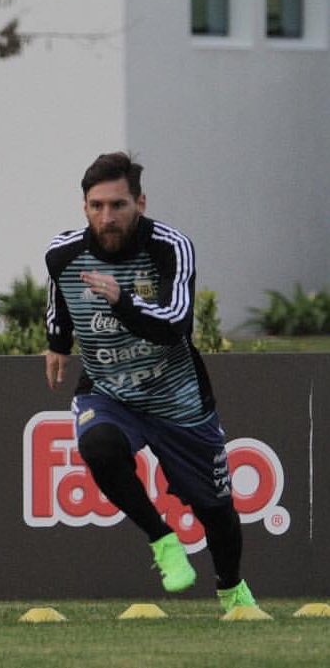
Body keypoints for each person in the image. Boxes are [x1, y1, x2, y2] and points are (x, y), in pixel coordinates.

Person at [44, 152, 261, 615]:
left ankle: (232, 591)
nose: (108, 216)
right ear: (83, 207)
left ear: (140, 203)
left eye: (118, 205)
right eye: (97, 205)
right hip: (109, 392)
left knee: (217, 512)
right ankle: (163, 541)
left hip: (178, 399)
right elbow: (59, 297)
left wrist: (121, 300)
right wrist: (57, 342)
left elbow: (176, 324)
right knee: (98, 445)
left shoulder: (170, 246)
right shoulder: (62, 253)